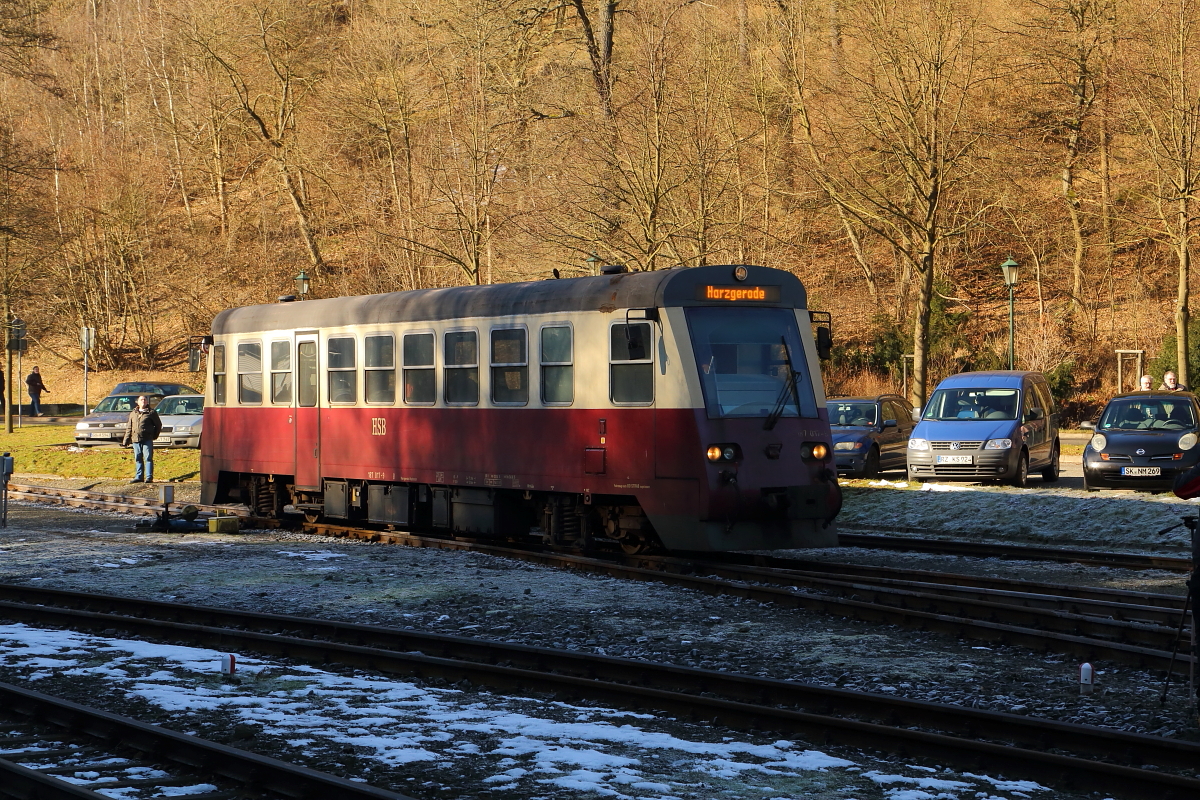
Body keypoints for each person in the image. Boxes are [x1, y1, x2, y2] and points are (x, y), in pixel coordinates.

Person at [121, 395, 162, 483]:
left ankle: (149, 477)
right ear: (138, 402)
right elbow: (129, 427)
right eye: (141, 400)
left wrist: (154, 436)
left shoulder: (151, 412)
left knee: (148, 458)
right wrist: (126, 441)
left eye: (145, 400)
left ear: (147, 402)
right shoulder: (133, 413)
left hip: (147, 439)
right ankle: (139, 476)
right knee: (138, 458)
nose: (143, 401)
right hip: (135, 439)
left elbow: (158, 425)